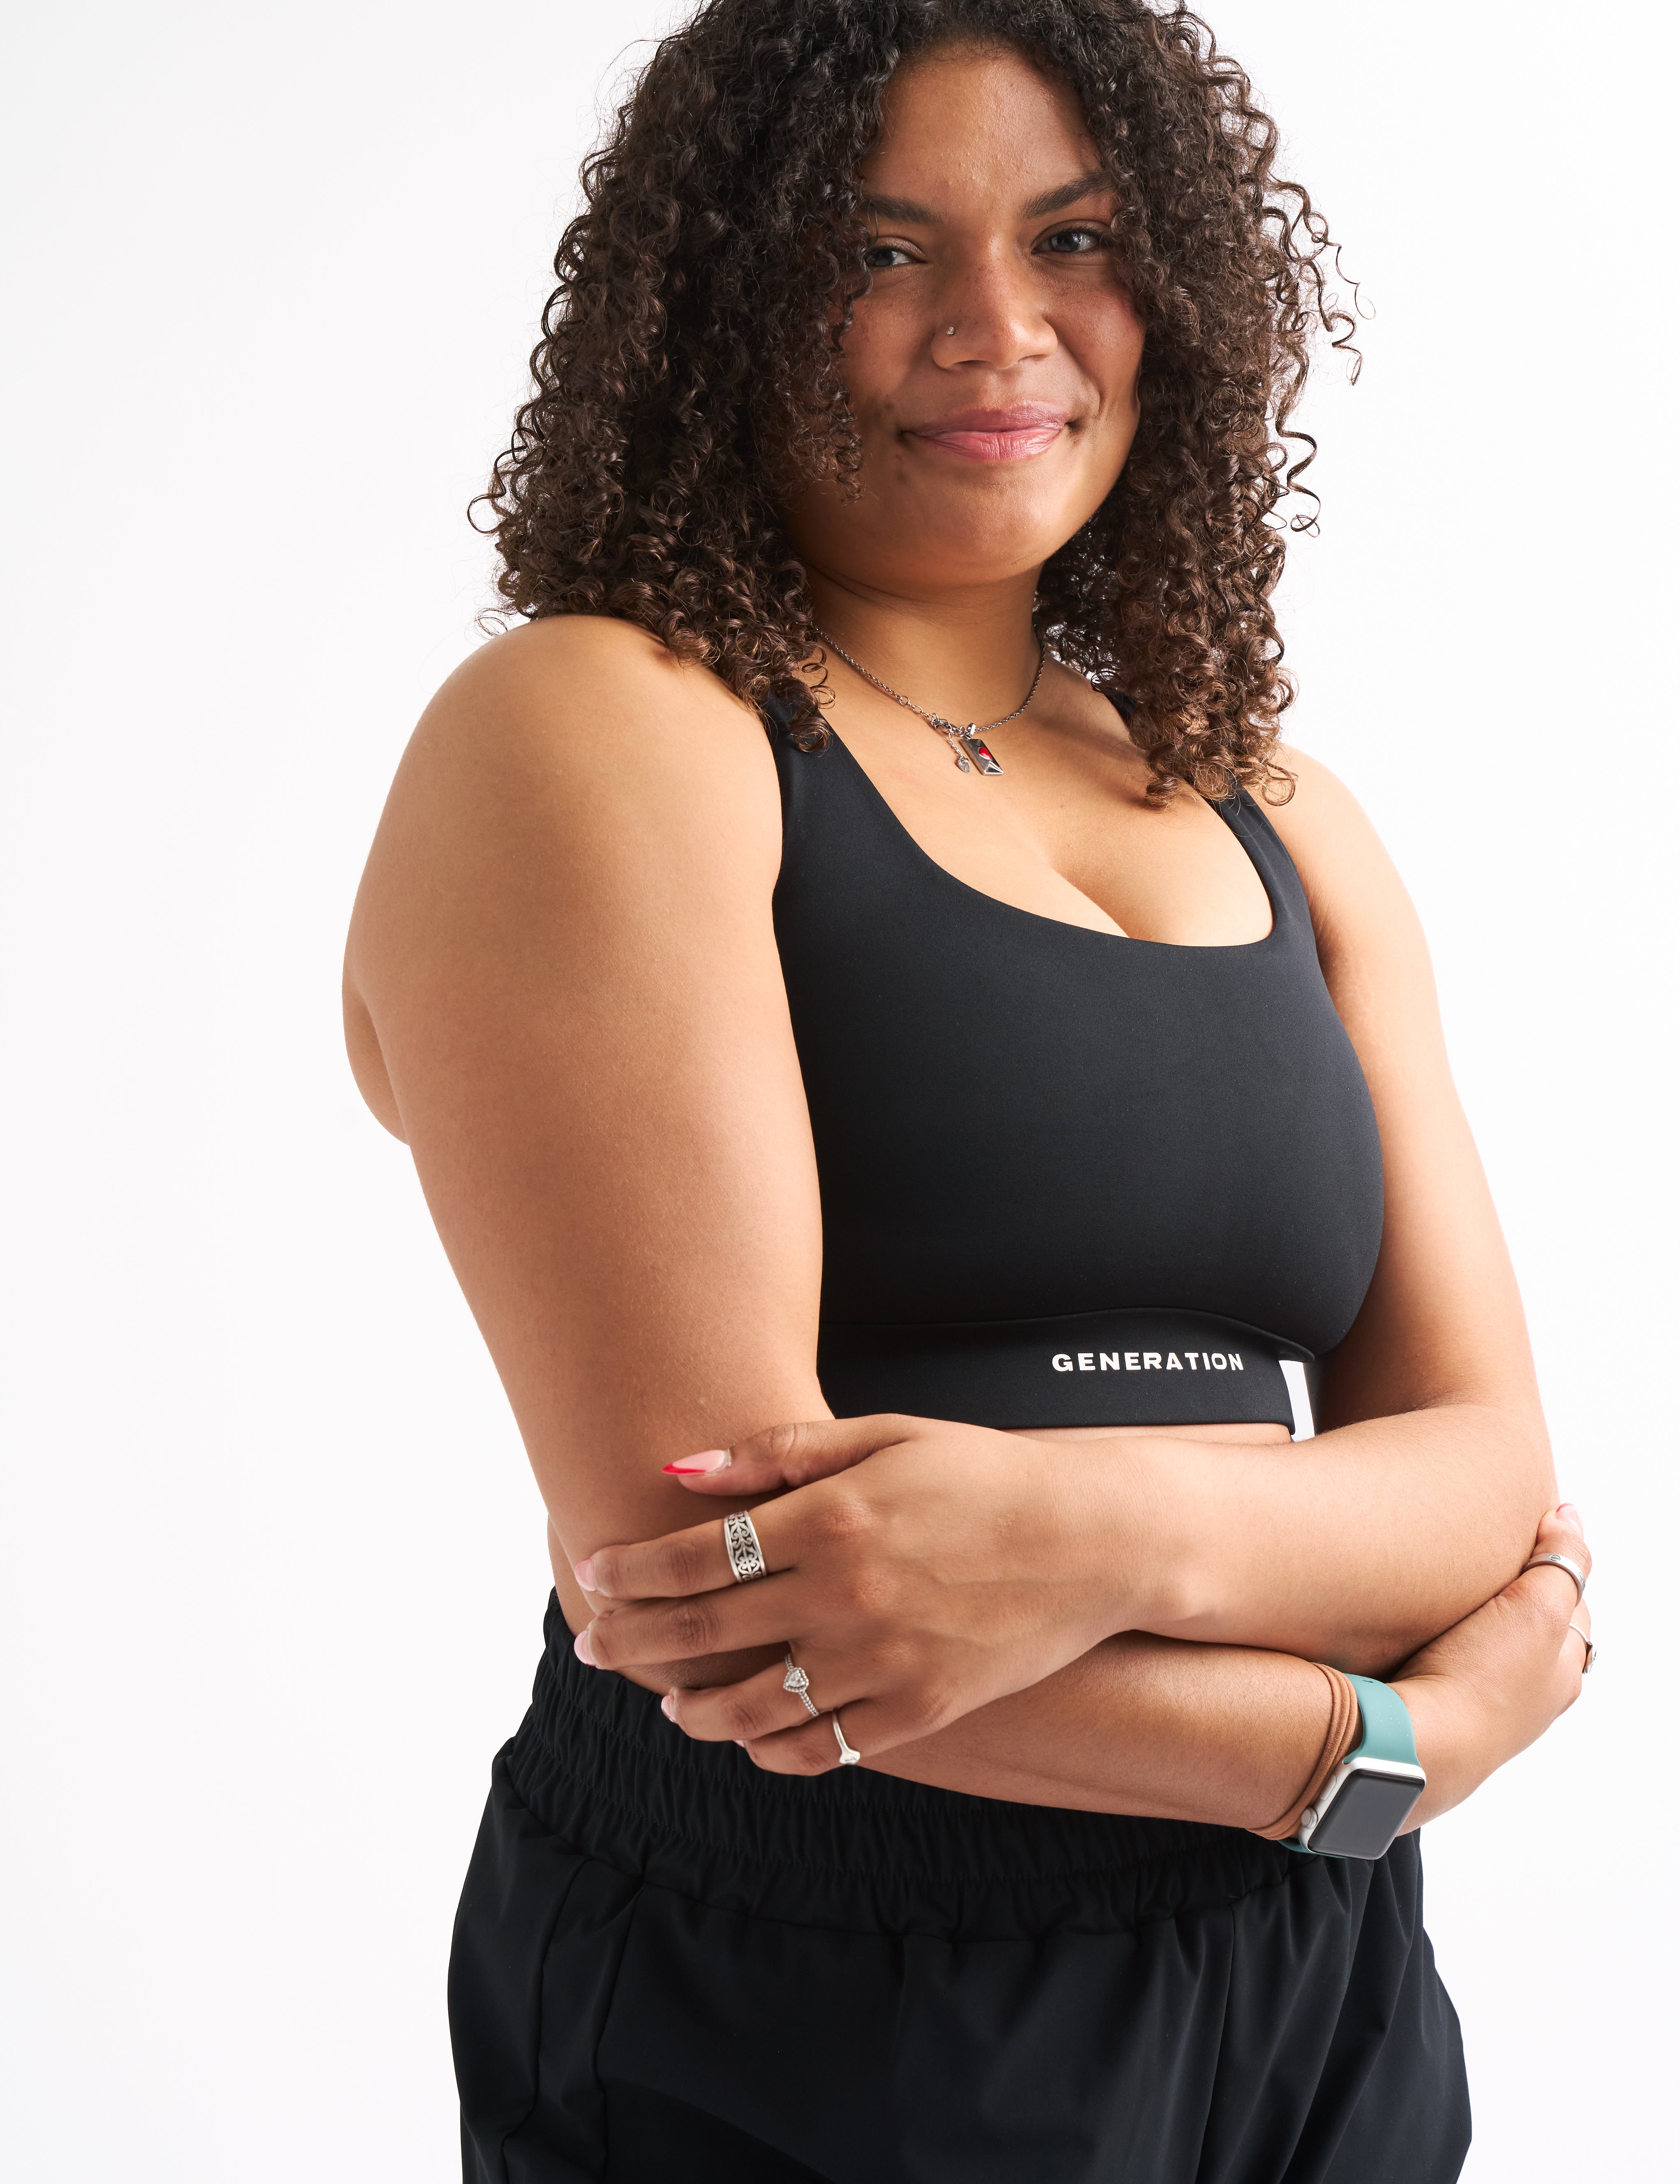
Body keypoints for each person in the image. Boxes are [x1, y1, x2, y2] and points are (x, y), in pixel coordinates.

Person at [342, 4, 1594, 2177]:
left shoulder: (1281, 810)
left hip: (1315, 1968)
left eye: (1075, 238)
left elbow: (1488, 1479)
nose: (997, 327)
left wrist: (1076, 1532)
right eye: (878, 249)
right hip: (820, 1957)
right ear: (719, 296)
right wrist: (1374, 1742)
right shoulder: (601, 724)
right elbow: (729, 1606)